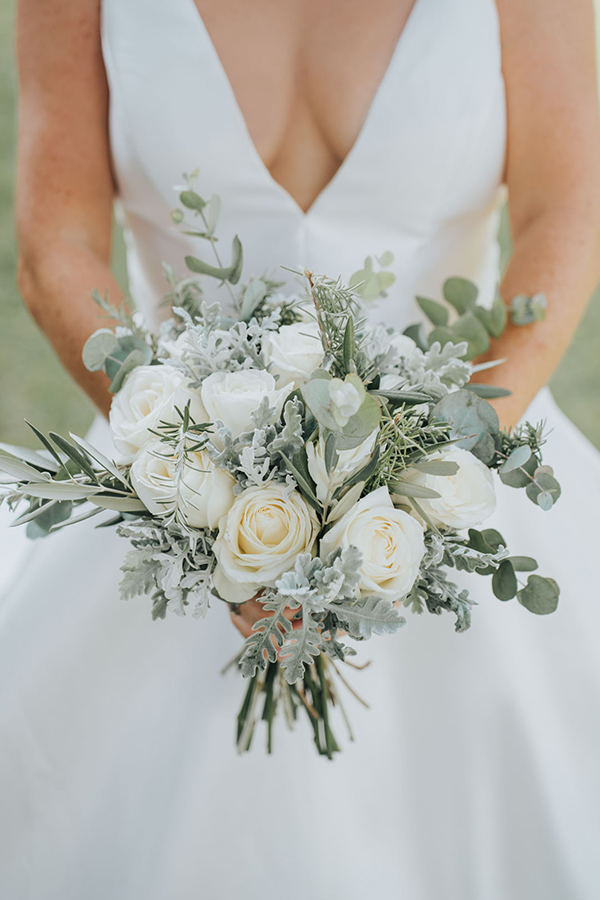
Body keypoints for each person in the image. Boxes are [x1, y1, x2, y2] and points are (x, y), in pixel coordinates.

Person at [2, 0, 600, 897]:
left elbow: (565, 218)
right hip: (171, 488)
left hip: (467, 468)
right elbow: (59, 244)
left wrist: (432, 468)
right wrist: (200, 481)